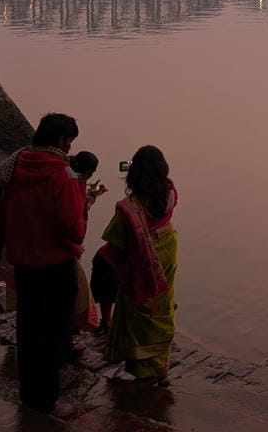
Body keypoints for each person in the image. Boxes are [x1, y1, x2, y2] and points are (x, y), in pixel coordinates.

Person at [0, 113, 86, 416]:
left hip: (24, 266)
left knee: (28, 331)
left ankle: (29, 396)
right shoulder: (62, 174)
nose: (69, 148)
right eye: (69, 142)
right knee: (53, 335)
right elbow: (74, 228)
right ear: (59, 140)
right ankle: (47, 402)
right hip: (55, 266)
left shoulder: (10, 168)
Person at [103, 145, 178, 386]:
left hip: (140, 259)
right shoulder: (170, 192)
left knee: (139, 305)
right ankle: (161, 367)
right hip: (168, 249)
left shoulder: (130, 206)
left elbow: (116, 240)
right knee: (162, 301)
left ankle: (144, 371)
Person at [68, 151, 106, 335]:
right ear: (89, 171)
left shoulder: (72, 181)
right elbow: (79, 212)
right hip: (70, 242)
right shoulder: (75, 184)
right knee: (74, 286)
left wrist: (91, 197)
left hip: (71, 240)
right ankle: (73, 325)